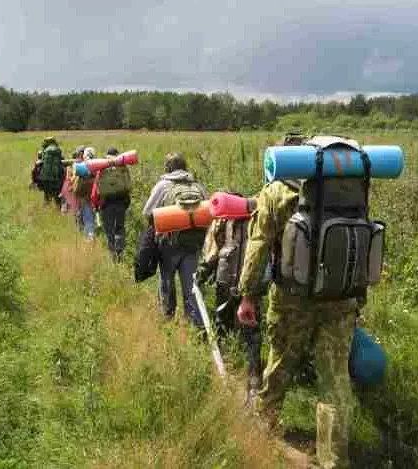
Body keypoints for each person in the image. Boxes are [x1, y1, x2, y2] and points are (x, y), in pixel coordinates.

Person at [237, 133, 371, 469]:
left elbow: (257, 246)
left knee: (281, 364)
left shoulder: (278, 191)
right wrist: (359, 298)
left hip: (292, 301)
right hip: (341, 300)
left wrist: (247, 295)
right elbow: (359, 245)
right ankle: (334, 461)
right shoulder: (350, 186)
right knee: (335, 380)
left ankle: (262, 432)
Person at [195, 211, 264, 406]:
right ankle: (251, 384)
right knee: (250, 337)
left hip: (228, 285)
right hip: (251, 288)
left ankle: (230, 374)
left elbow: (213, 253)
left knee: (225, 330)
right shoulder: (256, 218)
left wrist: (203, 271)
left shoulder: (222, 221)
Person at [143, 152, 208, 329]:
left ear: (168, 167)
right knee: (191, 286)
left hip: (169, 243)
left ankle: (166, 320)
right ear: (185, 167)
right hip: (193, 244)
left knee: (167, 281)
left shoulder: (163, 185)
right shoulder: (197, 185)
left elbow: (147, 212)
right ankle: (197, 326)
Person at [91, 147, 131, 263]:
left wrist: (96, 204)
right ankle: (120, 251)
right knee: (120, 228)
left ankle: (112, 255)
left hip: (106, 203)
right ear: (117, 155)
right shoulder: (122, 166)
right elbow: (129, 186)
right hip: (121, 203)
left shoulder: (102, 167)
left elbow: (96, 190)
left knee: (109, 231)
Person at [72, 146, 96, 240]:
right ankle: (87, 236)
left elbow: (74, 181)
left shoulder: (80, 165)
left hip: (81, 195)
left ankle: (89, 238)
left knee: (84, 217)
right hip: (91, 196)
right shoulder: (96, 165)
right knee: (88, 217)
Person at [38, 137, 65, 209]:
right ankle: (58, 208)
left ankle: (46, 207)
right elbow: (61, 161)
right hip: (55, 177)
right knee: (57, 194)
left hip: (44, 177)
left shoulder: (44, 151)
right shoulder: (58, 150)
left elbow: (41, 162)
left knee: (47, 194)